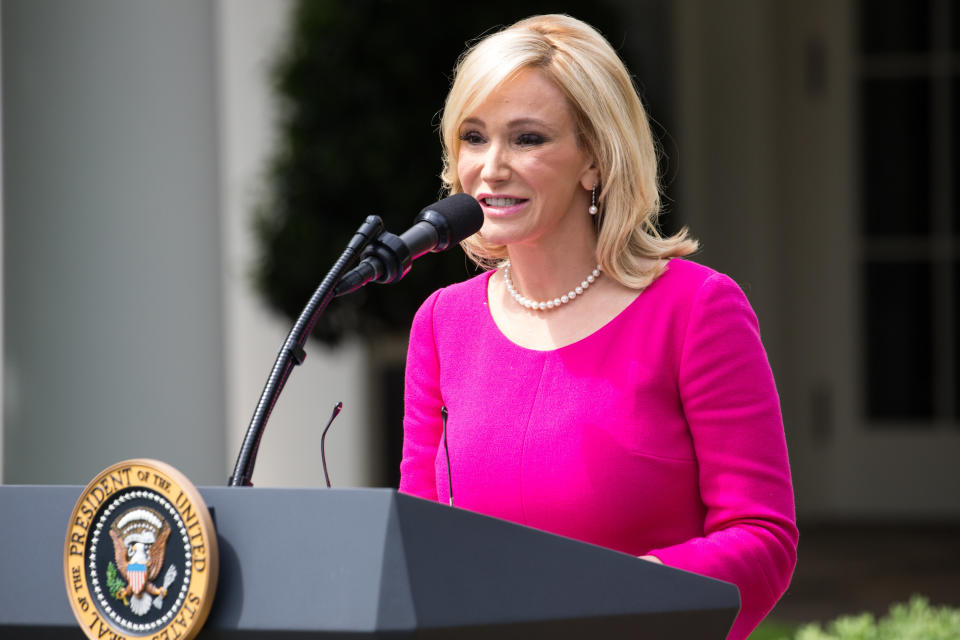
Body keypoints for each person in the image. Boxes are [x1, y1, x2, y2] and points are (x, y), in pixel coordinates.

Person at [398, 14, 797, 640]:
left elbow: (761, 540)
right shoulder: (442, 325)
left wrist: (621, 599)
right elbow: (415, 540)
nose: (492, 167)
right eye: (473, 137)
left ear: (595, 160)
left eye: (527, 138)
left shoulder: (695, 310)